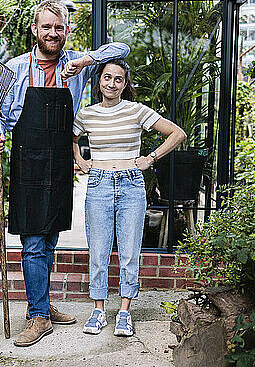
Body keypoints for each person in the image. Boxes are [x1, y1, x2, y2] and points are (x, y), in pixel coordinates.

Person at [0, 0, 129, 347]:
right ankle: (37, 316)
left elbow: (121, 48)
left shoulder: (77, 64)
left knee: (49, 237)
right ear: (35, 30)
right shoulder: (14, 69)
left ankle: (43, 307)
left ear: (66, 30)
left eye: (59, 27)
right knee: (33, 240)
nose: (53, 33)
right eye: (46, 26)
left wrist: (86, 60)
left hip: (59, 159)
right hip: (27, 158)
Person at [72, 58, 186, 337]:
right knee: (98, 251)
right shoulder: (86, 115)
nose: (112, 83)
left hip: (131, 185)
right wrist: (80, 159)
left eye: (118, 79)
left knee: (128, 252)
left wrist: (151, 157)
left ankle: (124, 312)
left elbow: (177, 133)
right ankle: (98, 310)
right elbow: (71, 139)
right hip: (98, 184)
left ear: (125, 84)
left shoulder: (137, 111)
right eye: (107, 77)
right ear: (99, 80)